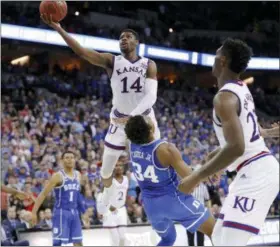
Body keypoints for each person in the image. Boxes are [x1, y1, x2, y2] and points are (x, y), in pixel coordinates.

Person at [40, 14, 160, 214]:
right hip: (119, 121)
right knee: (106, 169)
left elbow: (151, 96)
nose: (124, 39)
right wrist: (59, 28)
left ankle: (157, 201)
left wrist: (133, 117)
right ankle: (108, 190)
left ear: (137, 42)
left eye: (128, 36)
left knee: (156, 162)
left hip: (144, 119)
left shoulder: (149, 64)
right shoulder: (111, 61)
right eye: (121, 37)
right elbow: (81, 52)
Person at [179, 38, 280, 246]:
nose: (213, 59)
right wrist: (213, 157)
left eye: (216, 54)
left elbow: (237, 147)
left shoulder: (224, 97)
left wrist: (195, 177)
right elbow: (250, 134)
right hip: (251, 171)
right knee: (217, 237)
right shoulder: (241, 88)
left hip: (257, 173)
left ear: (223, 61)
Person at [124, 115, 215, 246]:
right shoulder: (165, 149)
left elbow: (132, 129)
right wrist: (211, 169)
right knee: (216, 231)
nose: (150, 118)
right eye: (148, 120)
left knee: (168, 240)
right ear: (150, 129)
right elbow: (191, 177)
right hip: (174, 201)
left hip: (150, 206)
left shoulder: (132, 145)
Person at [31, 151, 83, 246]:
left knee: (78, 242)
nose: (70, 160)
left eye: (72, 157)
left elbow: (78, 195)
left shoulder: (78, 175)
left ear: (75, 160)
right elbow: (43, 194)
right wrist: (34, 212)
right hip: (61, 213)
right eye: (67, 157)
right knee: (58, 243)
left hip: (74, 213)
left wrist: (84, 212)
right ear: (62, 161)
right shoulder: (58, 176)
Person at [97, 155, 129, 246]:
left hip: (121, 209)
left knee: (123, 237)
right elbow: (101, 195)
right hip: (110, 211)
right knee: (115, 238)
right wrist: (105, 208)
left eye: (120, 165)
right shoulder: (109, 180)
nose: (118, 167)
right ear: (113, 168)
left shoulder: (126, 179)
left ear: (123, 167)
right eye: (116, 165)